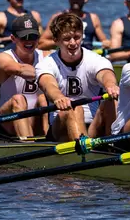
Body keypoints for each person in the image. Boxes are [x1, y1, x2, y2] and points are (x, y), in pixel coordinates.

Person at [35, 13, 119, 141]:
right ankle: (83, 149)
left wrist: (111, 85)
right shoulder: (46, 64)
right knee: (75, 108)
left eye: (77, 37)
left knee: (111, 102)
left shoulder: (95, 59)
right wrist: (58, 97)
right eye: (67, 38)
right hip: (60, 126)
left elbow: (106, 74)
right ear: (56, 40)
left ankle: (113, 143)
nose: (73, 43)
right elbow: (48, 85)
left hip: (92, 127)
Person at [0, 14, 50, 139]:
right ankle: (29, 146)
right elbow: (20, 69)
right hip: (6, 121)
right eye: (24, 37)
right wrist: (49, 74)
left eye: (33, 36)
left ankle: (49, 139)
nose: (29, 41)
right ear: (13, 39)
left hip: (35, 119)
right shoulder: (3, 58)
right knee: (18, 99)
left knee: (43, 99)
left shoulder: (46, 56)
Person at [39, 0, 109, 50]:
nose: (75, 0)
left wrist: (106, 44)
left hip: (87, 55)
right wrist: (61, 41)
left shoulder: (93, 18)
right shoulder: (58, 17)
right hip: (65, 55)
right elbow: (41, 43)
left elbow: (105, 42)